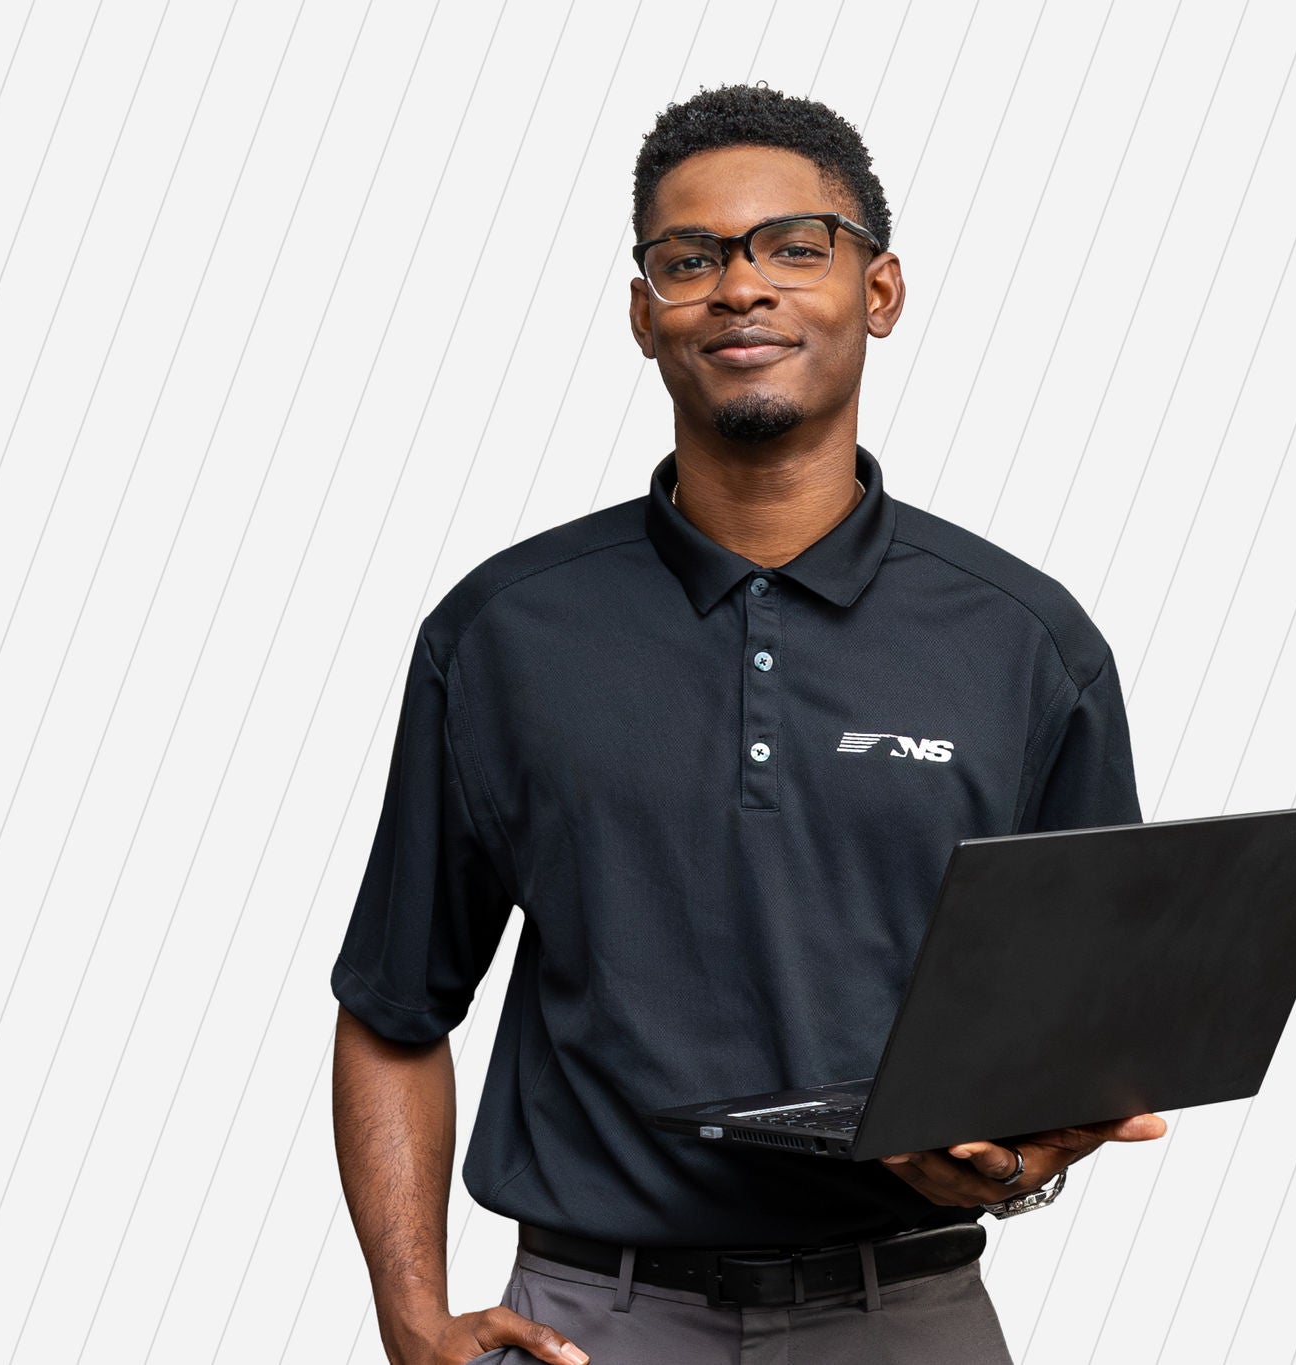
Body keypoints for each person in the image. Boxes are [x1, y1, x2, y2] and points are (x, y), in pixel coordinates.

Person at [330, 81, 1167, 1365]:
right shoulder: (500, 635)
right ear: (641, 314)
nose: (739, 287)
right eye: (689, 259)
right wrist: (408, 1317)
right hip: (590, 1323)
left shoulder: (1024, 642)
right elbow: (394, 1009)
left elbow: (1077, 1039)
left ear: (877, 293)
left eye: (792, 246)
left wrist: (1015, 1163)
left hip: (911, 1315)